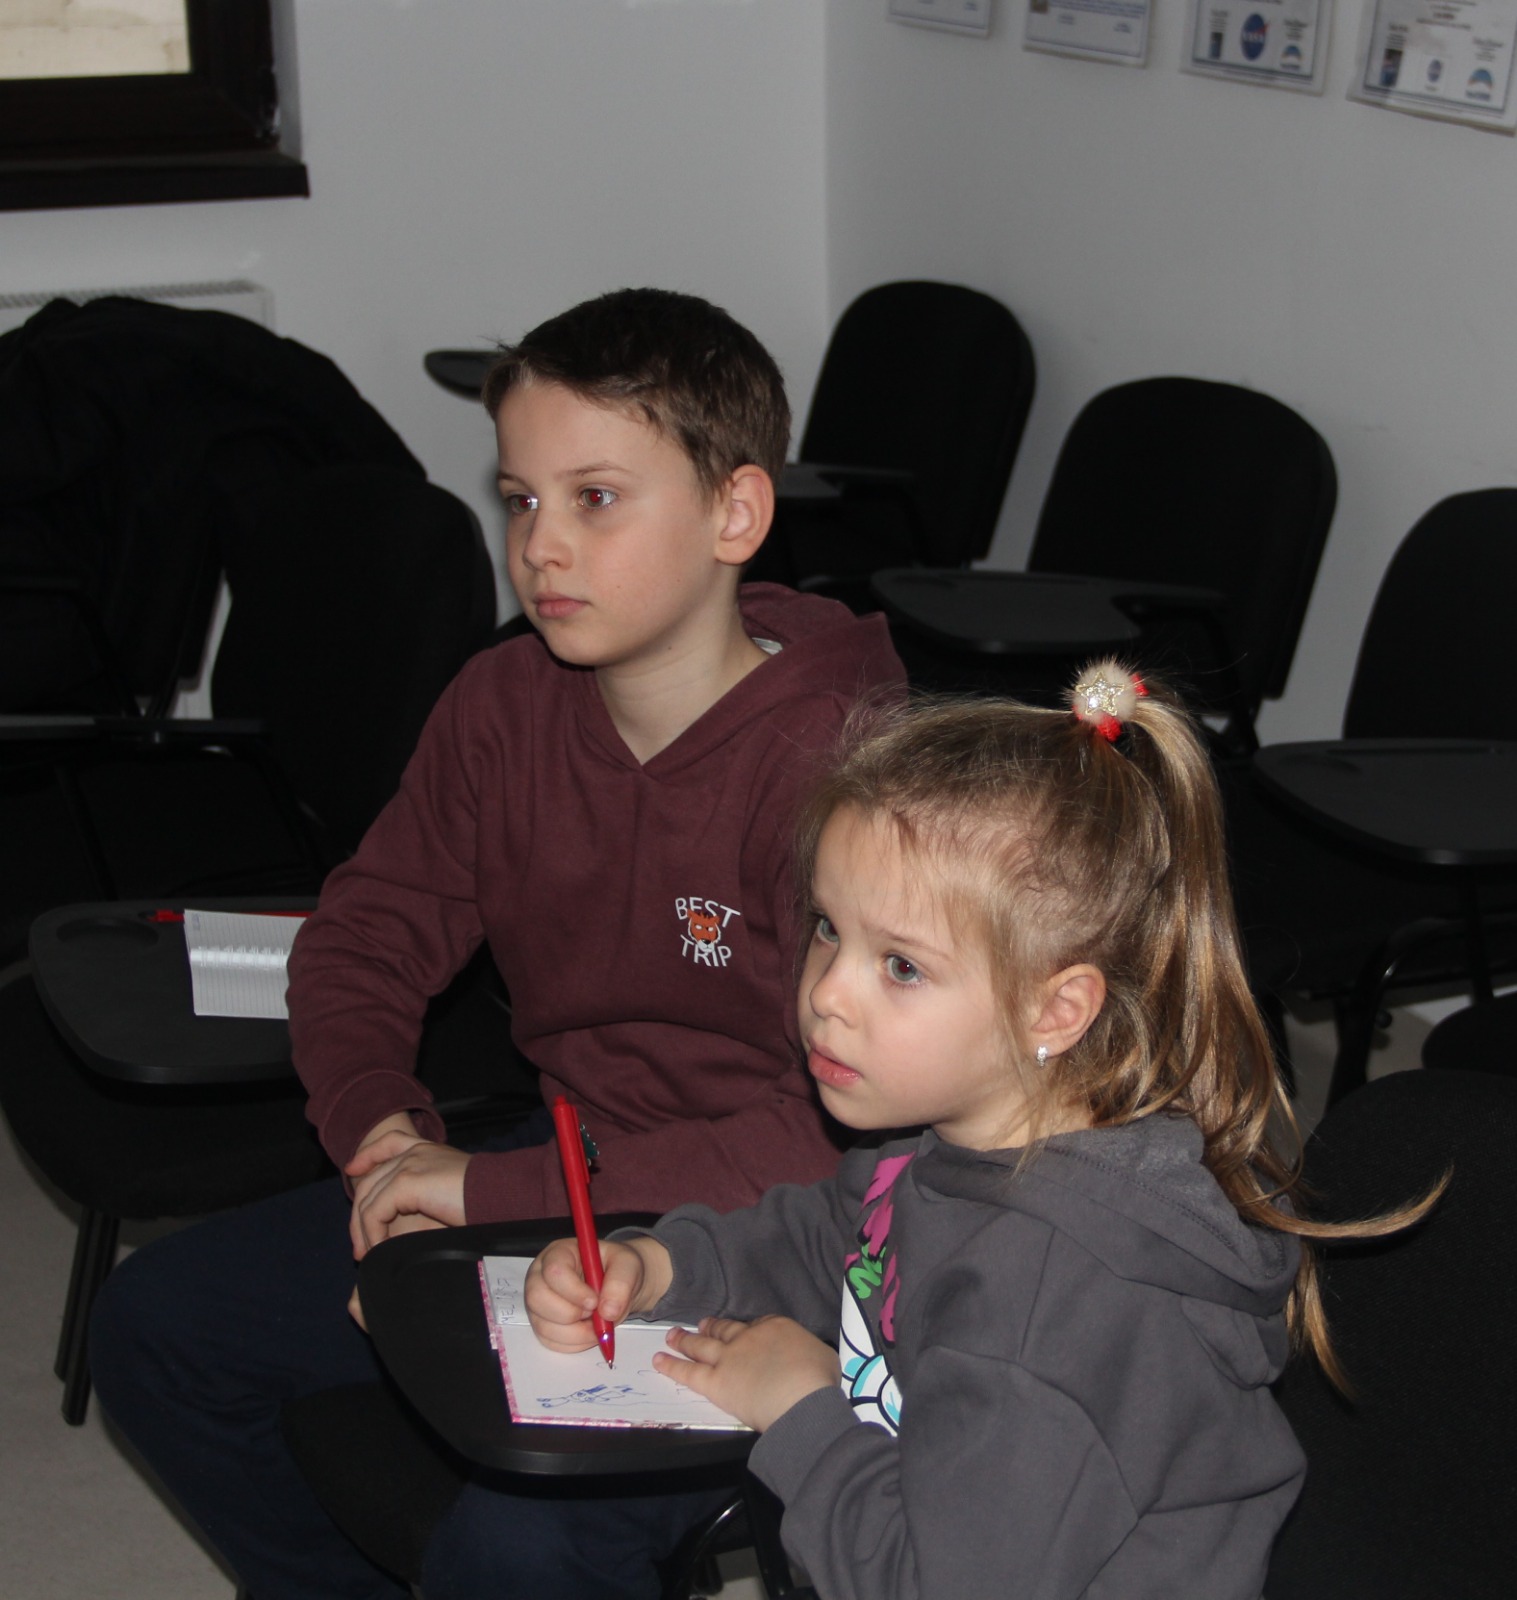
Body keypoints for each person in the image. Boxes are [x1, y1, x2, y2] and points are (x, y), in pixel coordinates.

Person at [89, 287, 905, 1600]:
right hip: (558, 1173)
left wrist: (478, 1194)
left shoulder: (851, 773)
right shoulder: (503, 700)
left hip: (778, 1236)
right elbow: (364, 937)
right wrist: (383, 1144)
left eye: (596, 498)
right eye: (521, 499)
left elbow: (831, 1141)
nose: (540, 547)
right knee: (157, 1329)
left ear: (734, 515)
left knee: (518, 1544)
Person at [529, 664, 1438, 1600]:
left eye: (902, 966)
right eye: (829, 928)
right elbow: (840, 1238)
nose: (826, 993)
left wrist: (798, 1409)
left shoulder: (1048, 1309)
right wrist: (664, 1266)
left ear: (1055, 1012)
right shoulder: (955, 1129)